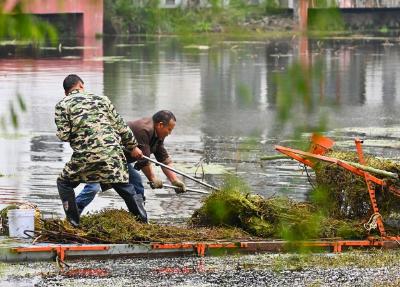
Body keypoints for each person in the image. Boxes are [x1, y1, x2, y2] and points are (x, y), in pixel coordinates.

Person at [55, 74, 147, 226]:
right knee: (124, 186)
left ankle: (73, 222)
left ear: (66, 92)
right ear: (82, 86)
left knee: (64, 183)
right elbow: (122, 127)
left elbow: (64, 136)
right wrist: (133, 147)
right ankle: (143, 222)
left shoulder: (62, 105)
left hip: (84, 157)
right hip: (113, 156)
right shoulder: (102, 99)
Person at [75, 110, 187, 215]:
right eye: (169, 129)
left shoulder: (158, 134)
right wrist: (153, 178)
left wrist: (175, 180)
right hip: (103, 157)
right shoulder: (143, 130)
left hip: (120, 161)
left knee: (136, 182)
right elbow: (144, 161)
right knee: (93, 188)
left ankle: (139, 218)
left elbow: (163, 158)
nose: (170, 133)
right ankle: (73, 213)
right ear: (160, 125)